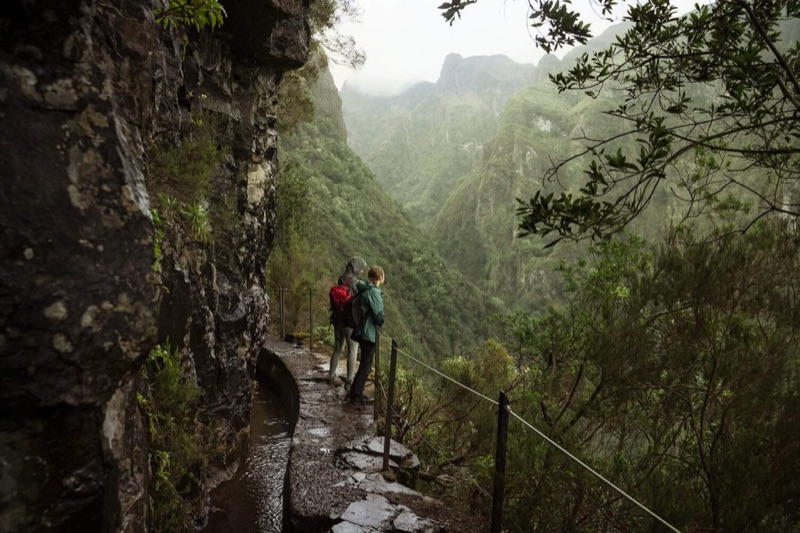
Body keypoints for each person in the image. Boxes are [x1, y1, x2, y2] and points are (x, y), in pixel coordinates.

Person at [347, 265, 385, 405]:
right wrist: (381, 318)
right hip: (369, 333)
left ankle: (355, 392)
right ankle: (356, 395)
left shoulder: (364, 288)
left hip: (362, 332)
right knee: (366, 365)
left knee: (364, 363)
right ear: (379, 278)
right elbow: (379, 316)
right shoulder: (373, 292)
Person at [328, 257, 366, 387]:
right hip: (349, 320)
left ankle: (331, 375)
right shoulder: (354, 281)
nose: (361, 271)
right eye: (360, 268)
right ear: (355, 267)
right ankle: (349, 381)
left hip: (337, 318)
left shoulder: (341, 278)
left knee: (338, 348)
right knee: (353, 348)